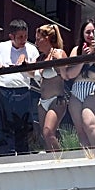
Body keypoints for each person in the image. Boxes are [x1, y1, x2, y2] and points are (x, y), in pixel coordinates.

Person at [0, 19, 39, 157]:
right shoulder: (1, 47)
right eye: (20, 37)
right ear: (11, 36)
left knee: (23, 129)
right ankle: (2, 157)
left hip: (23, 92)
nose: (23, 40)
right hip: (4, 92)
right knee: (3, 128)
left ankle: (23, 157)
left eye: (25, 36)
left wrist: (26, 66)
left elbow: (37, 74)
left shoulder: (32, 49)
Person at [62, 19, 95, 151]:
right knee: (80, 130)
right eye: (87, 32)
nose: (90, 35)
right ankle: (88, 156)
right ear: (82, 34)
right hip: (76, 90)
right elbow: (70, 74)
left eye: (94, 32)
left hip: (94, 89)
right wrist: (82, 58)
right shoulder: (76, 50)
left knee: (89, 122)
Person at [33, 24, 68, 152]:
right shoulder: (40, 59)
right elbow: (33, 74)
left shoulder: (58, 53)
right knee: (45, 135)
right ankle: (52, 157)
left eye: (38, 39)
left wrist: (59, 63)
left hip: (56, 100)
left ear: (47, 38)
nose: (36, 43)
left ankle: (60, 159)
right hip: (42, 102)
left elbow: (66, 75)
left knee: (48, 131)